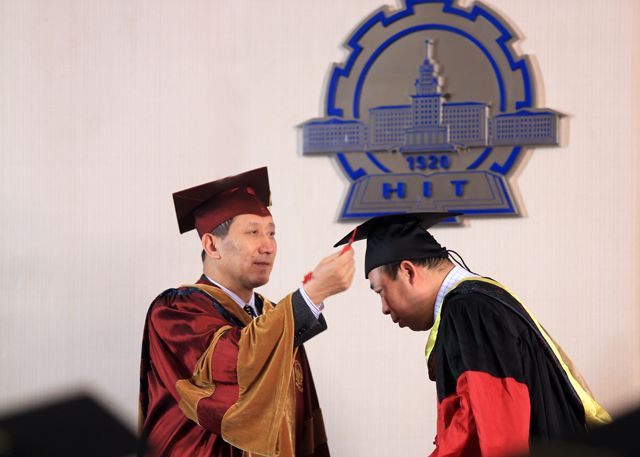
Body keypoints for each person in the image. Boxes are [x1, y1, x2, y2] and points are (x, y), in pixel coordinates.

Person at [335, 212, 612, 457]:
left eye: (380, 291)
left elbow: (489, 430)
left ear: (408, 272)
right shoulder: (486, 299)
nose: (384, 308)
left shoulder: (469, 311)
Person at [139, 167, 355, 457]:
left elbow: (299, 419)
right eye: (253, 232)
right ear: (211, 245)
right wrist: (311, 295)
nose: (268, 246)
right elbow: (233, 365)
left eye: (272, 233)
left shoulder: (274, 316)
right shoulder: (175, 311)